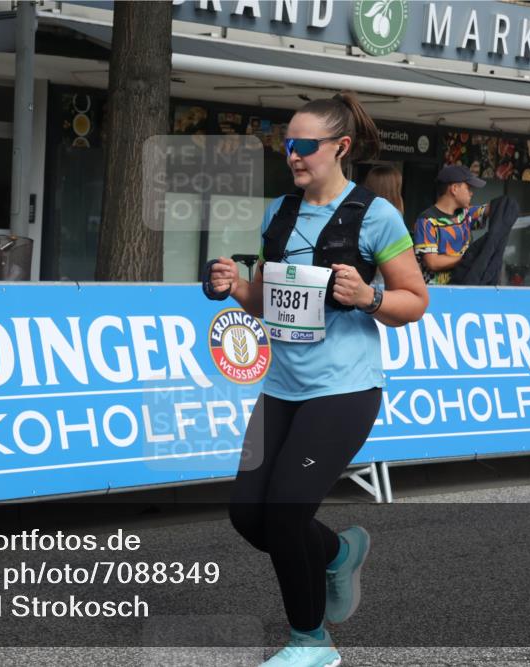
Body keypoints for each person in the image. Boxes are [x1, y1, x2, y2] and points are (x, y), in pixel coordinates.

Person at [205, 92, 428, 666]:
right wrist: (237, 286)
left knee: (283, 514)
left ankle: (312, 644)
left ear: (341, 148)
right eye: (288, 146)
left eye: (305, 146)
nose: (294, 156)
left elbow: (415, 301)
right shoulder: (278, 213)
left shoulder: (375, 215)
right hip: (282, 386)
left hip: (345, 389)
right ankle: (337, 553)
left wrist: (368, 295)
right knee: (246, 514)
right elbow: (268, 304)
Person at [412, 165, 490, 286]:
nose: (471, 193)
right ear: (454, 189)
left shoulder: (465, 214)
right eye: (468, 188)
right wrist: (468, 259)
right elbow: (432, 262)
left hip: (464, 289)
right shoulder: (427, 221)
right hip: (437, 295)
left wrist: (503, 204)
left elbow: (489, 210)